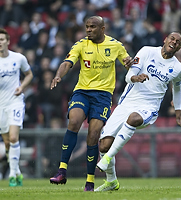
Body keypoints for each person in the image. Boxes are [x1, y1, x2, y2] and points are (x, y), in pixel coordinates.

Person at [95, 31, 181, 192]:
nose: (174, 42)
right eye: (172, 38)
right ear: (165, 39)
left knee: (133, 119)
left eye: (178, 42)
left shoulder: (178, 68)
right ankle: (111, 181)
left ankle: (109, 157)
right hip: (127, 102)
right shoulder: (147, 51)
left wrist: (179, 116)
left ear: (179, 47)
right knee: (103, 145)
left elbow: (178, 91)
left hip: (149, 108)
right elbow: (129, 75)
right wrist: (135, 78)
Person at [49, 16, 133, 191]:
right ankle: (62, 170)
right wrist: (58, 75)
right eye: (87, 27)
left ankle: (89, 181)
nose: (88, 30)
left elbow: (128, 63)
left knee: (94, 134)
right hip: (83, 92)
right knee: (73, 121)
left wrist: (130, 65)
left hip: (103, 96)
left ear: (102, 29)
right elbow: (67, 63)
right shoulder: (80, 44)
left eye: (92, 27)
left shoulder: (115, 45)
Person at [0, 28, 34, 187]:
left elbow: (29, 74)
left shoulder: (18, 58)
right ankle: (17, 171)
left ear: (8, 41)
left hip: (15, 101)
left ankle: (11, 174)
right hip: (0, 105)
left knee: (13, 138)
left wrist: (22, 86)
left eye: (2, 39)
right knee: (7, 144)